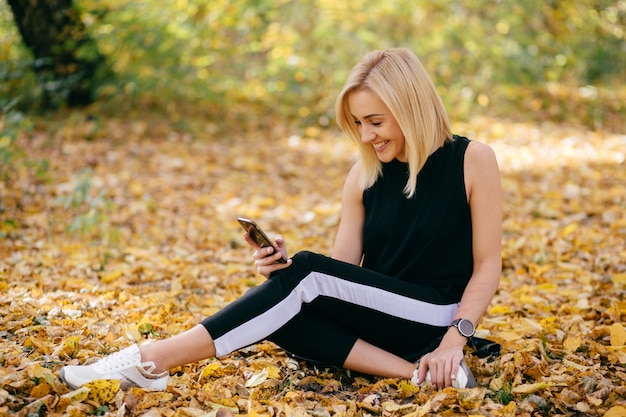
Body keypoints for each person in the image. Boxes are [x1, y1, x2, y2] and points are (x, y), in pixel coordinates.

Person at [60, 47, 502, 391]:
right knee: (282, 307)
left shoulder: (471, 160)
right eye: (357, 124)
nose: (366, 136)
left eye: (375, 121)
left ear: (409, 107)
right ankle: (415, 374)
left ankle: (152, 359)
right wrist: (284, 274)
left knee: (304, 280)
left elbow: (487, 266)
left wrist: (453, 340)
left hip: (436, 311)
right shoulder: (363, 176)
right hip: (387, 320)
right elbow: (343, 274)